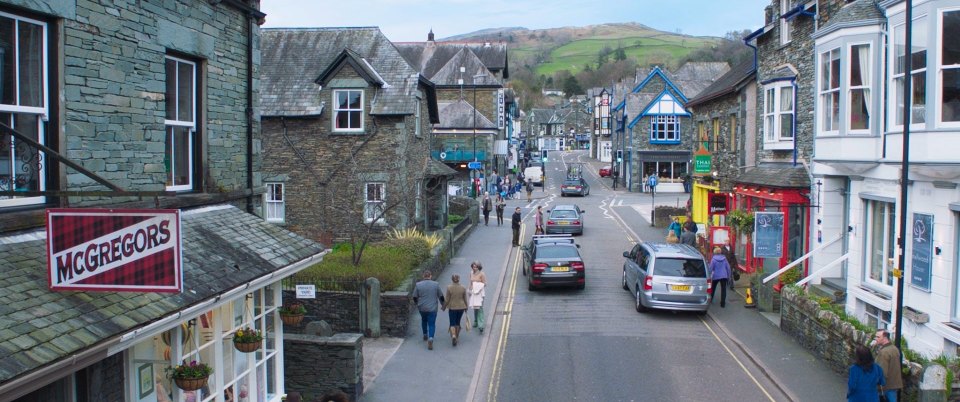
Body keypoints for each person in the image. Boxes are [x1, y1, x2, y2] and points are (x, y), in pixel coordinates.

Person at [412, 270, 444, 350]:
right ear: (430, 276)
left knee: (424, 321)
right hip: (432, 308)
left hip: (422, 307)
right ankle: (431, 338)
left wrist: (417, 304)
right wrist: (443, 305)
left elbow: (414, 297)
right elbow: (441, 296)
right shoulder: (436, 284)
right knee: (432, 324)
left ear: (423, 276)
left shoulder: (418, 285)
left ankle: (425, 334)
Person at [874, 330, 903, 402]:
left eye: (878, 337)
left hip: (886, 386)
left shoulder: (884, 352)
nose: (875, 339)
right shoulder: (894, 348)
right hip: (894, 384)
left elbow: (882, 372)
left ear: (885, 338)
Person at [442, 274, 469, 346]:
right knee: (458, 322)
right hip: (461, 307)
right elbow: (465, 299)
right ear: (459, 279)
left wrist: (443, 307)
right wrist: (466, 307)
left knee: (452, 323)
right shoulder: (463, 287)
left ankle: (453, 335)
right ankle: (456, 336)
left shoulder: (449, 287)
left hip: (452, 307)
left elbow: (447, 299)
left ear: (452, 279)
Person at [469, 261, 487, 334]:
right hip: (473, 293)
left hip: (480, 293)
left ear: (479, 267)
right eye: (473, 266)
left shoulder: (482, 274)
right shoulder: (471, 273)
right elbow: (470, 283)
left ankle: (481, 325)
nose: (474, 268)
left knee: (480, 308)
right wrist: (469, 290)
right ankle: (476, 321)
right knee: (475, 308)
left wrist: (478, 287)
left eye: (476, 267)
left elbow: (485, 283)